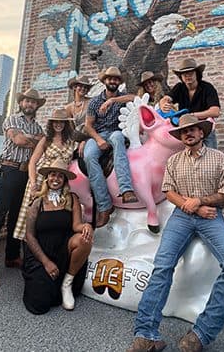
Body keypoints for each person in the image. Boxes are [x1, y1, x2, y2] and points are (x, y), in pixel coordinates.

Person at [126, 114, 224, 352]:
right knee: (162, 266)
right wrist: (189, 206)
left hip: (211, 216)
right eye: (183, 132)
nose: (188, 134)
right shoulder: (174, 161)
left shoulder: (219, 158)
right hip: (181, 217)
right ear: (180, 137)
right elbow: (168, 191)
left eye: (193, 130)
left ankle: (202, 333)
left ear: (202, 133)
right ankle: (145, 335)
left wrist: (200, 202)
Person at [0, 88, 45, 289]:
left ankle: (12, 256)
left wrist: (34, 139)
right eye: (27, 101)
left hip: (27, 174)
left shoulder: (38, 125)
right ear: (21, 102)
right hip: (9, 170)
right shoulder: (11, 120)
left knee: (17, 217)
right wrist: (35, 140)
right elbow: (19, 140)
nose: (30, 104)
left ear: (37, 105)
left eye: (33, 102)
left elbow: (44, 142)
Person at [22, 158, 93, 314]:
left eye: (60, 176)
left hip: (63, 248)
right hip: (41, 253)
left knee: (84, 238)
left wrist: (86, 226)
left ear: (65, 180)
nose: (56, 179)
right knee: (39, 304)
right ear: (47, 178)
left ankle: (67, 283)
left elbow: (76, 226)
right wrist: (46, 262)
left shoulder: (72, 198)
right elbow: (29, 236)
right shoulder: (37, 202)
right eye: (53, 175)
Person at [84, 66, 138, 228]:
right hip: (99, 133)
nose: (112, 81)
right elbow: (88, 126)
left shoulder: (121, 97)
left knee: (117, 139)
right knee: (89, 157)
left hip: (116, 131)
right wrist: (99, 140)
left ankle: (126, 189)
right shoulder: (94, 101)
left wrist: (113, 100)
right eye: (110, 79)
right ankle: (104, 205)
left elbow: (136, 97)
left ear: (118, 82)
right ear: (105, 81)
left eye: (115, 79)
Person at [13, 108, 77, 241]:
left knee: (53, 214)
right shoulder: (46, 140)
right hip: (42, 178)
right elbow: (32, 162)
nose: (58, 124)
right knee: (33, 215)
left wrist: (83, 144)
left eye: (61, 122)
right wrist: (33, 183)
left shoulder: (71, 142)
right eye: (55, 122)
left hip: (59, 180)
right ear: (51, 123)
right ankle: (30, 251)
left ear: (65, 124)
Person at [159, 58, 220, 148]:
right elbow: (166, 98)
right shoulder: (179, 87)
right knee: (187, 156)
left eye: (190, 73)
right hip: (186, 129)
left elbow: (215, 111)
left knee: (211, 156)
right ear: (181, 77)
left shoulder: (207, 88)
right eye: (184, 74)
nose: (187, 76)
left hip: (204, 128)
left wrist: (192, 115)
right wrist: (163, 104)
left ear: (197, 74)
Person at [65, 75, 93, 155]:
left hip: (91, 135)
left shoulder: (91, 102)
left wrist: (85, 140)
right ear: (74, 87)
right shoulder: (68, 108)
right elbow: (71, 129)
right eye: (80, 86)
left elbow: (96, 123)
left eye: (86, 87)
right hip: (76, 138)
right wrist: (78, 141)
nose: (83, 88)